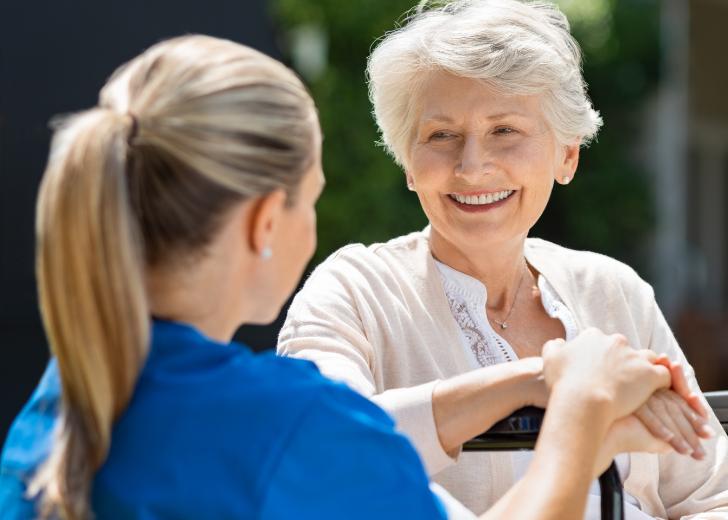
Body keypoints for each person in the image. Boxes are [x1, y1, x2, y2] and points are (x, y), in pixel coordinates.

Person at [0, 35, 681, 520]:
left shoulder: (69, 396)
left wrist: (529, 379)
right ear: (268, 222)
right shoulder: (291, 426)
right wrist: (580, 414)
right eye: (314, 196)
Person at [277, 1, 728, 519]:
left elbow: (718, 499)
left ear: (567, 156)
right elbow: (319, 446)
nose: (471, 166)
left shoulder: (613, 290)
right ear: (408, 163)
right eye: (441, 135)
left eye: (504, 130)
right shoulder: (353, 291)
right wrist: (549, 381)